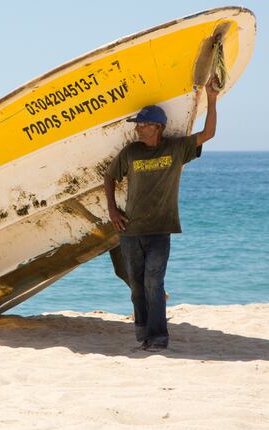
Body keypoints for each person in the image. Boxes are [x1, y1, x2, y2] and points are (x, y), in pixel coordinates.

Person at [104, 79, 219, 351]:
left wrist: (211, 99)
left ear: (157, 127)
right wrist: (112, 209)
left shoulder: (176, 149)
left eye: (143, 125)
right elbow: (109, 176)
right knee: (136, 286)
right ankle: (143, 333)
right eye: (138, 125)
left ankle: (159, 337)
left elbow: (209, 133)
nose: (138, 129)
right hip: (130, 230)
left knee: (154, 283)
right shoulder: (131, 152)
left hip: (160, 229)